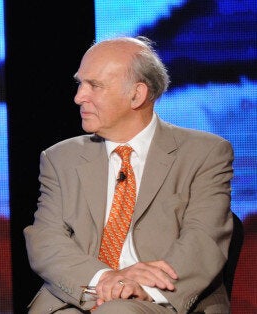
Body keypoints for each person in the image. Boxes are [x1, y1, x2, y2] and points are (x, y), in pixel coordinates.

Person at [24, 36, 234, 313]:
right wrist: (105, 279)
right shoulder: (60, 158)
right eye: (80, 83)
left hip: (162, 301)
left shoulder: (205, 153)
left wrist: (139, 289)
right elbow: (46, 240)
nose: (78, 97)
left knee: (118, 311)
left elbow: (203, 239)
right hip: (81, 295)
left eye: (94, 86)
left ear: (137, 94)